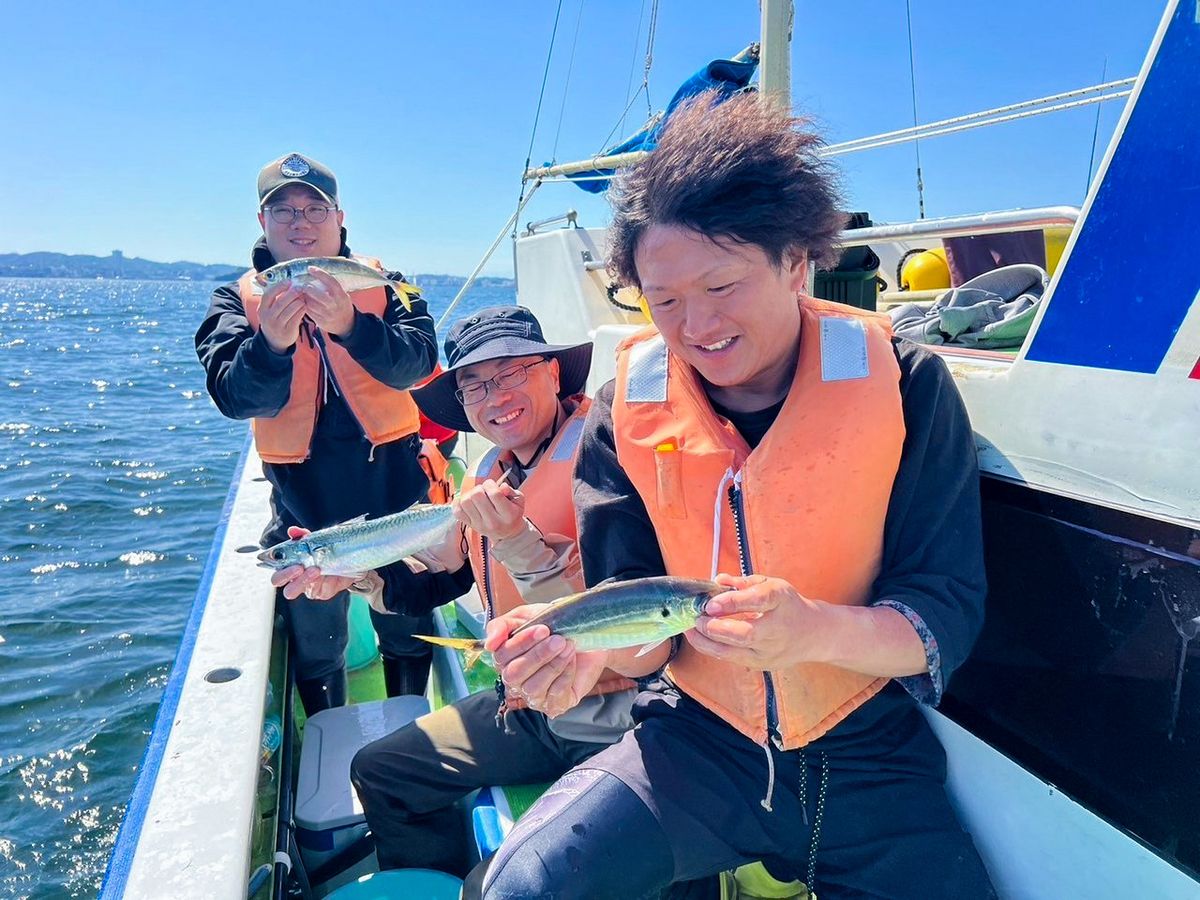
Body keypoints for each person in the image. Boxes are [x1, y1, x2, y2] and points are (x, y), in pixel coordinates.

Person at [477, 94, 997, 899]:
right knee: (522, 883)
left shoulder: (908, 383)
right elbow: (639, 630)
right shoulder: (627, 408)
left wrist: (811, 629)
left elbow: (944, 614)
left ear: (795, 261)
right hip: (697, 741)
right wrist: (581, 657)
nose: (697, 326)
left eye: (722, 285)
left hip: (865, 747)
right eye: (666, 299)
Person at [337, 307, 638, 877]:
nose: (492, 395)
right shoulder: (489, 477)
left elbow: (617, 610)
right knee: (382, 771)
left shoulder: (608, 458)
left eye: (509, 373)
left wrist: (517, 540)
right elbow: (451, 575)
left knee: (511, 883)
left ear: (553, 372)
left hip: (614, 718)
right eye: (473, 385)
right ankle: (429, 878)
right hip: (526, 707)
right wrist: (352, 573)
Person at [194, 152, 438, 713]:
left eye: (314, 208)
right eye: (283, 211)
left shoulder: (389, 283)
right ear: (263, 223)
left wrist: (352, 327)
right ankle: (328, 732)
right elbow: (234, 397)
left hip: (395, 496)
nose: (300, 222)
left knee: (407, 625)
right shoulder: (233, 301)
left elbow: (419, 364)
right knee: (318, 643)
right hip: (302, 509)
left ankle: (409, 727)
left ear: (339, 218)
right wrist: (270, 346)